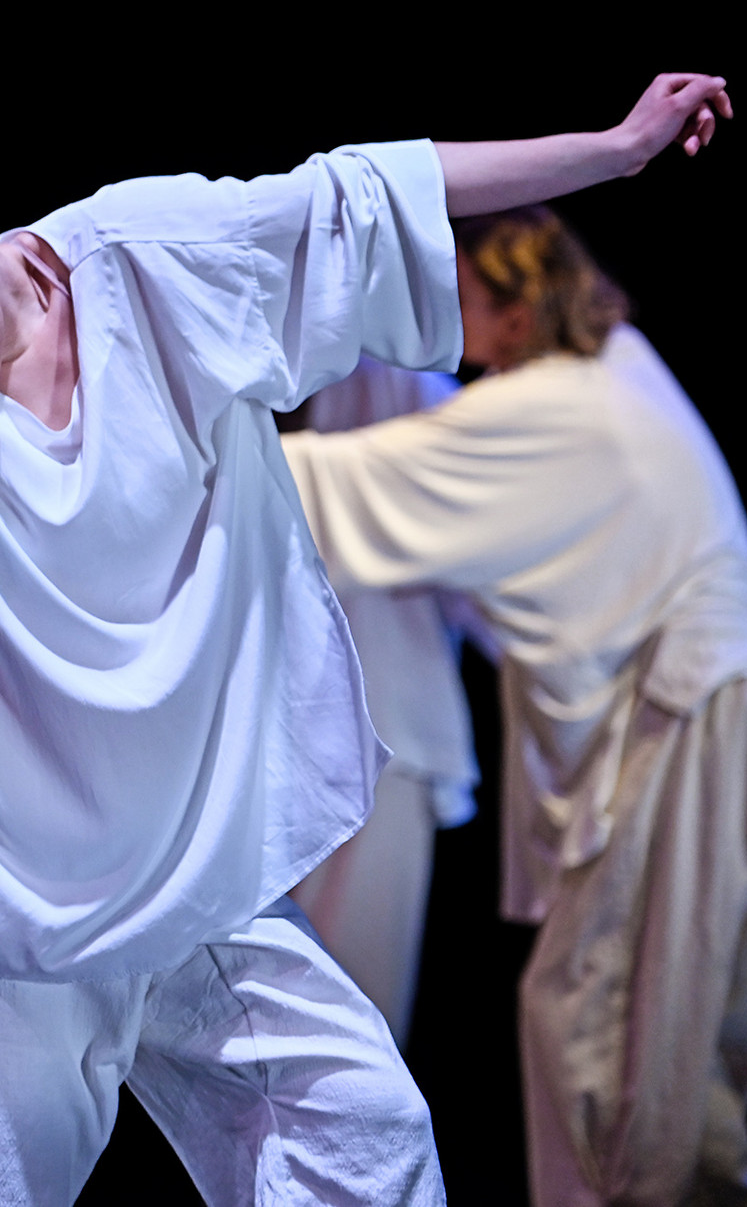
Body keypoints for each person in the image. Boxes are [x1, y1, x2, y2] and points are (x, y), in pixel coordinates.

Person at [0, 0, 734, 1206]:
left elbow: (373, 191)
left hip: (190, 865)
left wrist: (615, 149)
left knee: (362, 1147)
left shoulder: (152, 258)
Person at [281, 205, 747, 1206]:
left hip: (694, 714)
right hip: (743, 706)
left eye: (459, 297)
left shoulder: (555, 410)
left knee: (609, 1037)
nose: (446, 324)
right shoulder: (620, 372)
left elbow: (358, 483)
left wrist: (176, 436)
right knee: (681, 1067)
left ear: (515, 305)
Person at [282, 360, 480, 1046]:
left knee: (350, 1021)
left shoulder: (415, 391)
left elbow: (485, 573)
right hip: (238, 743)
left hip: (379, 735)